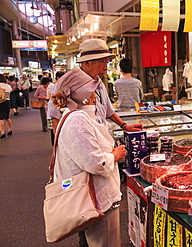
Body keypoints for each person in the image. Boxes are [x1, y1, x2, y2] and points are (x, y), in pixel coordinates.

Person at [51, 73, 126, 246]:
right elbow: (95, 163)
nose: (96, 95)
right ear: (85, 95)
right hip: (96, 198)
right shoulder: (78, 119)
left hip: (88, 196)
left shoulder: (72, 115)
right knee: (105, 241)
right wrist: (115, 155)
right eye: (93, 90)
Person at [47, 71, 65, 145]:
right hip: (56, 111)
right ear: (58, 78)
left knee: (56, 127)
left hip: (55, 110)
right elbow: (54, 99)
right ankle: (57, 145)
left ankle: (56, 144)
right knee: (56, 127)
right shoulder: (57, 85)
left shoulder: (56, 85)